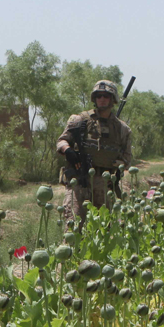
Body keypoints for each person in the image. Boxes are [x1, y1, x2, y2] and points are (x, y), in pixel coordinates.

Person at [55, 79, 133, 226]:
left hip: (105, 185)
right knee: (74, 227)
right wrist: (69, 151)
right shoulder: (79, 120)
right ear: (94, 99)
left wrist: (117, 166)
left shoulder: (122, 129)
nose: (102, 99)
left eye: (106, 96)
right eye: (99, 96)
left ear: (113, 99)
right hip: (79, 181)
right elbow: (61, 141)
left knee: (106, 229)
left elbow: (127, 159)